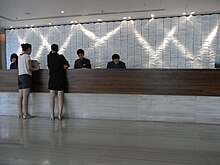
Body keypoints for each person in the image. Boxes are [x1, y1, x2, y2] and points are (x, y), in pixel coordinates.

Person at [47, 44, 70, 120]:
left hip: (52, 79)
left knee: (52, 97)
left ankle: (52, 114)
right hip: (60, 79)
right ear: (58, 49)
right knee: (60, 96)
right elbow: (67, 65)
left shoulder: (49, 57)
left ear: (51, 49)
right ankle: (60, 114)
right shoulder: (61, 57)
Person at [18, 43, 40, 119]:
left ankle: (20, 113)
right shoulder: (27, 56)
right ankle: (26, 114)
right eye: (31, 49)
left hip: (20, 76)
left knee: (20, 96)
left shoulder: (19, 57)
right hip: (26, 77)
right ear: (28, 49)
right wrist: (36, 69)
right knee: (25, 97)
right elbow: (29, 68)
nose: (31, 51)